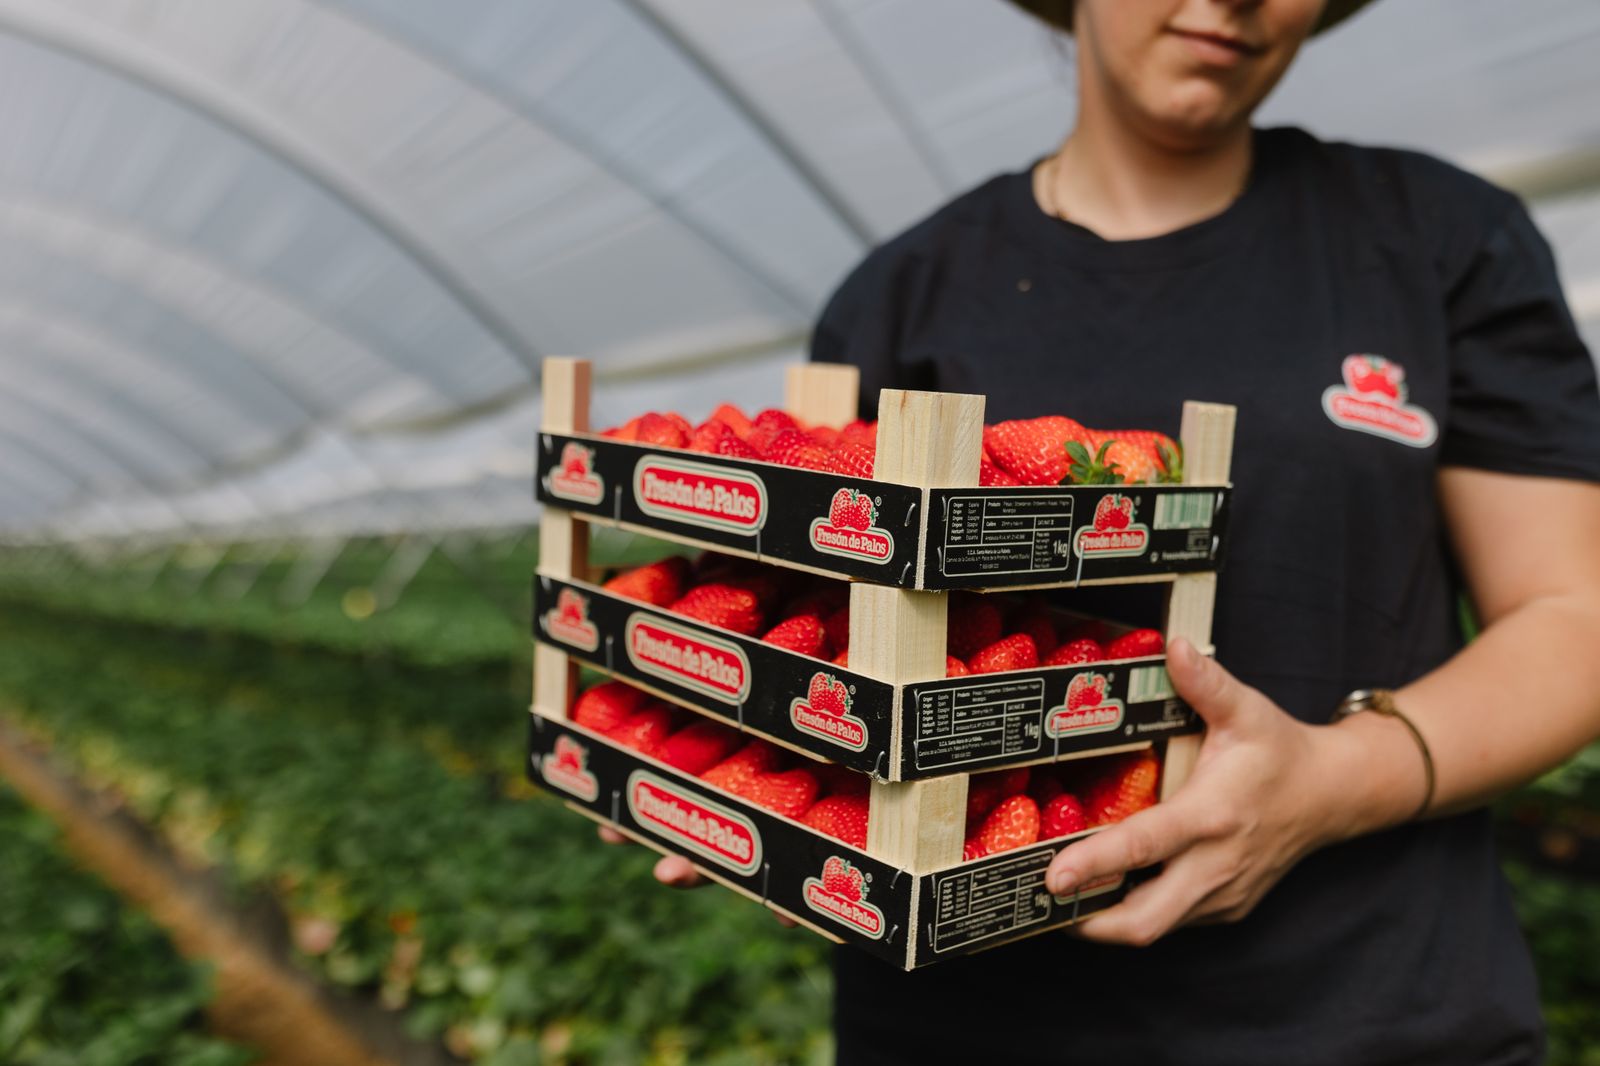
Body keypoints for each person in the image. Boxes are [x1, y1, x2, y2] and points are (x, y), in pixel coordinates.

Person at [628, 1, 1600, 1061]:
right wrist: (739, 753)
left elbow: (1570, 613)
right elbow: (812, 624)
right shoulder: (905, 291)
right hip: (966, 1021)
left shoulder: (1436, 238)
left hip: (1371, 1011)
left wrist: (1328, 783)